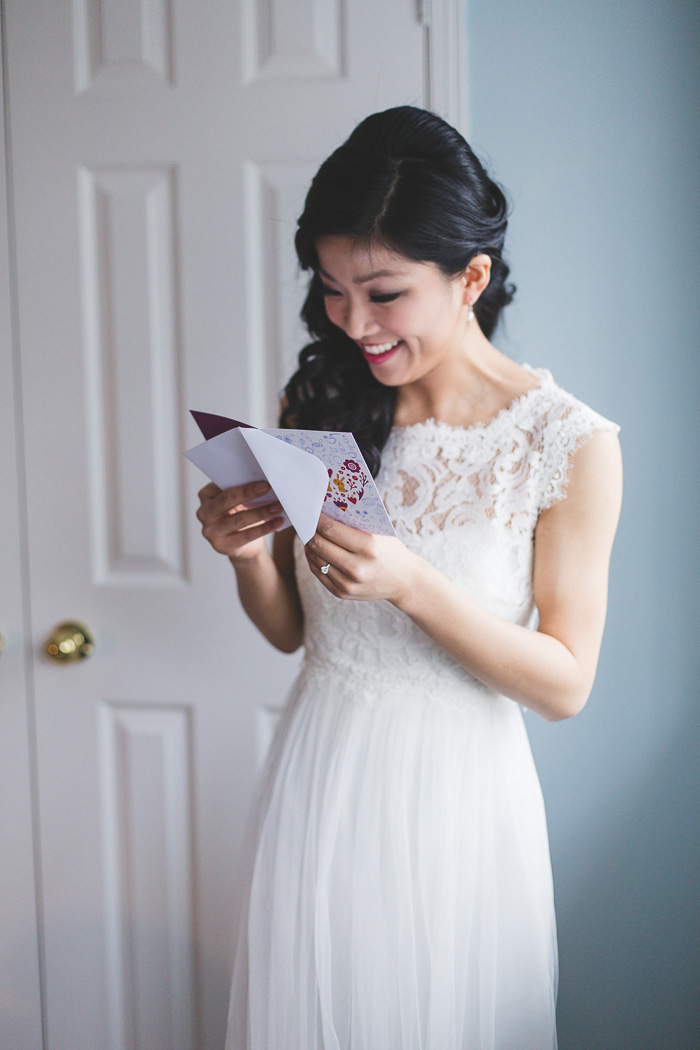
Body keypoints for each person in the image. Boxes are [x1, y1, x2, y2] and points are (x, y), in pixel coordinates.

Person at [197, 106, 622, 1050]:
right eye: (334, 291)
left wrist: (414, 584)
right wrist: (245, 555)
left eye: (383, 293)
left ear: (470, 277)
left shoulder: (568, 444)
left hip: (457, 800)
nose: (353, 324)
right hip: (321, 771)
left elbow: (566, 684)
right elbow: (295, 634)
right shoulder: (319, 403)